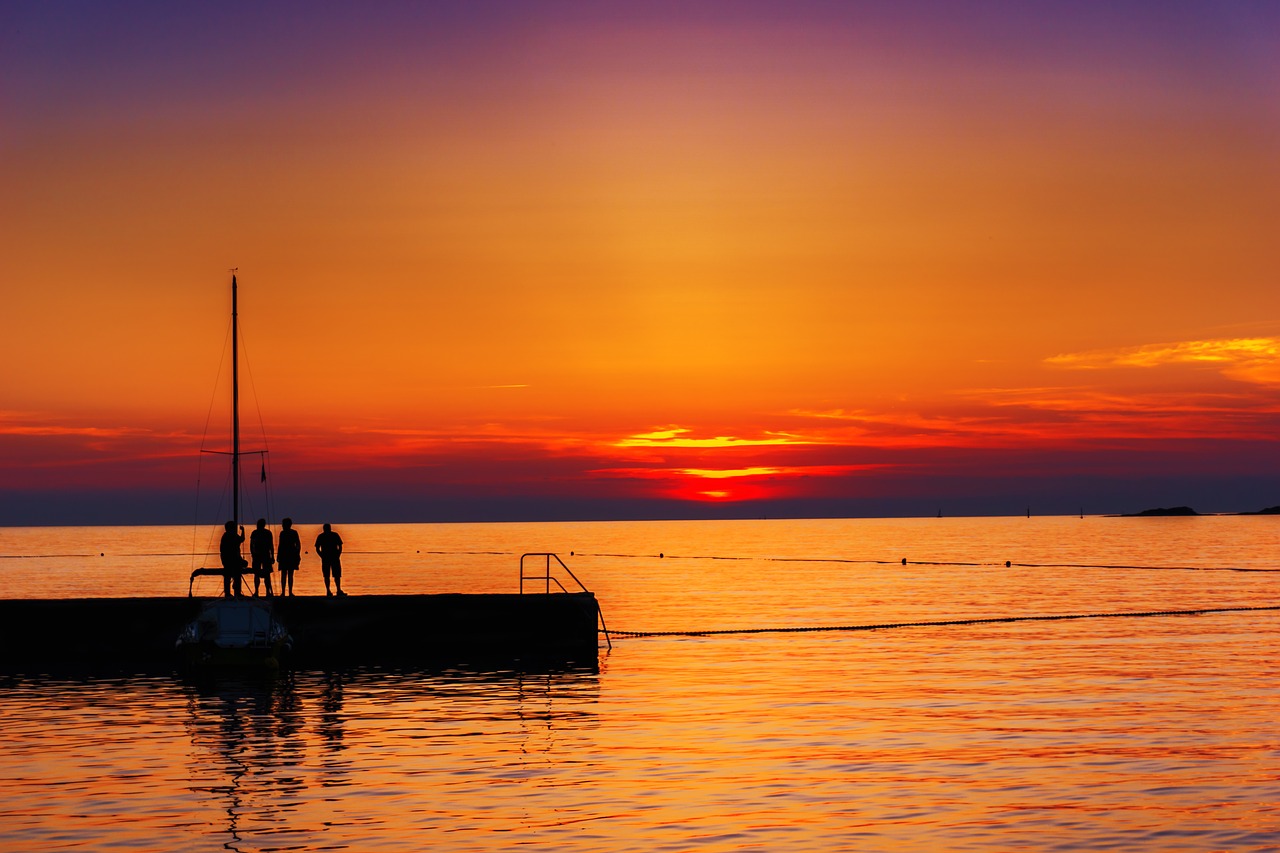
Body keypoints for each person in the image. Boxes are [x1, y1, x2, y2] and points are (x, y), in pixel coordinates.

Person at [315, 522, 346, 596]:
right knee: (329, 575)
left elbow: (340, 546)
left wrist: (338, 554)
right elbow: (317, 548)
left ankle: (336, 590)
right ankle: (330, 591)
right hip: (329, 557)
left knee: (335, 575)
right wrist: (321, 555)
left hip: (332, 557)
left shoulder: (331, 535)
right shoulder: (324, 536)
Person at [219, 520, 247, 597]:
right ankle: (236, 592)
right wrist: (243, 530)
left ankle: (228, 592)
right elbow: (242, 539)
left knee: (228, 576)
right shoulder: (232, 535)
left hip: (227, 560)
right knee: (236, 574)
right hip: (232, 560)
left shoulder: (225, 536)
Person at [249, 518, 275, 597]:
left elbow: (251, 544)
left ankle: (258, 592)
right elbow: (271, 546)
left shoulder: (255, 533)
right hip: (264, 555)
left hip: (259, 555)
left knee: (259, 574)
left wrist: (253, 553)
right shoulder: (267, 533)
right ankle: (265, 592)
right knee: (264, 574)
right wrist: (272, 556)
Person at [277, 517, 301, 597]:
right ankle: (285, 592)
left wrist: (297, 554)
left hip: (289, 555)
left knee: (288, 574)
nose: (282, 525)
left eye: (283, 524)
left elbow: (298, 544)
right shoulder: (283, 533)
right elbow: (280, 545)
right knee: (286, 574)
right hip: (287, 555)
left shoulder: (290, 533)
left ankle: (288, 592)